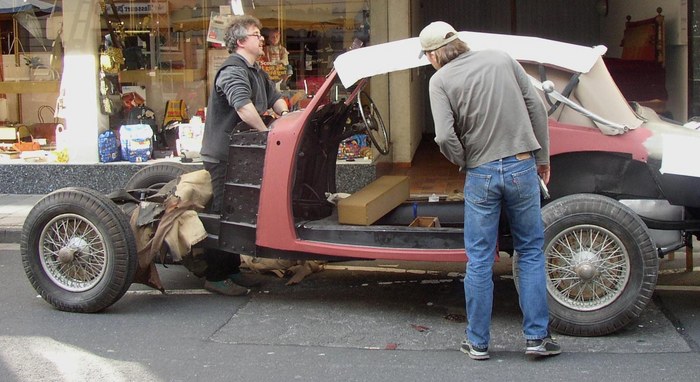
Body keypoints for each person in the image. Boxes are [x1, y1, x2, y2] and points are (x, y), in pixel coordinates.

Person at [418, 21, 561, 360]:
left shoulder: (439, 80)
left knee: (480, 258)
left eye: (427, 57)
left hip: (481, 172)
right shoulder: (500, 58)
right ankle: (537, 339)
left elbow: (443, 137)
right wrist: (542, 158)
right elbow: (537, 108)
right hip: (521, 165)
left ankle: (478, 343)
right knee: (529, 251)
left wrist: (466, 161)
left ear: (434, 55)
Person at [200, 15, 290, 296]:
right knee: (223, 214)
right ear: (240, 41)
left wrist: (286, 116)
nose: (261, 38)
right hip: (224, 155)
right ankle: (215, 276)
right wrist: (268, 134)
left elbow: (274, 96)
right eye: (256, 34)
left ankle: (233, 270)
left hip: (242, 155)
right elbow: (243, 107)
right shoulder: (232, 70)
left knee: (238, 215)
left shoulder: (255, 70)